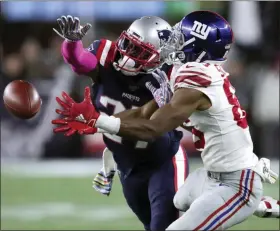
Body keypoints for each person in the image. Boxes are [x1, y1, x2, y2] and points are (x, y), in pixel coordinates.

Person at [52, 11, 279, 230]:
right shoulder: (184, 71)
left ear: (197, 48)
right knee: (180, 202)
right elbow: (144, 114)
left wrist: (99, 119)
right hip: (210, 176)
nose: (171, 43)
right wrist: (95, 121)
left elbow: (153, 128)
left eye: (181, 38)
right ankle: (260, 205)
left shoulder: (198, 79)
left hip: (237, 182)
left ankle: (246, 202)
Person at [52, 15, 189, 231]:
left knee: (166, 226)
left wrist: (98, 121)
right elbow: (78, 61)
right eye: (128, 44)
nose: (127, 54)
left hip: (162, 161)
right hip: (128, 167)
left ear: (158, 59)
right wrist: (71, 43)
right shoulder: (107, 55)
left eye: (139, 51)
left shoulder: (167, 77)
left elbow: (149, 129)